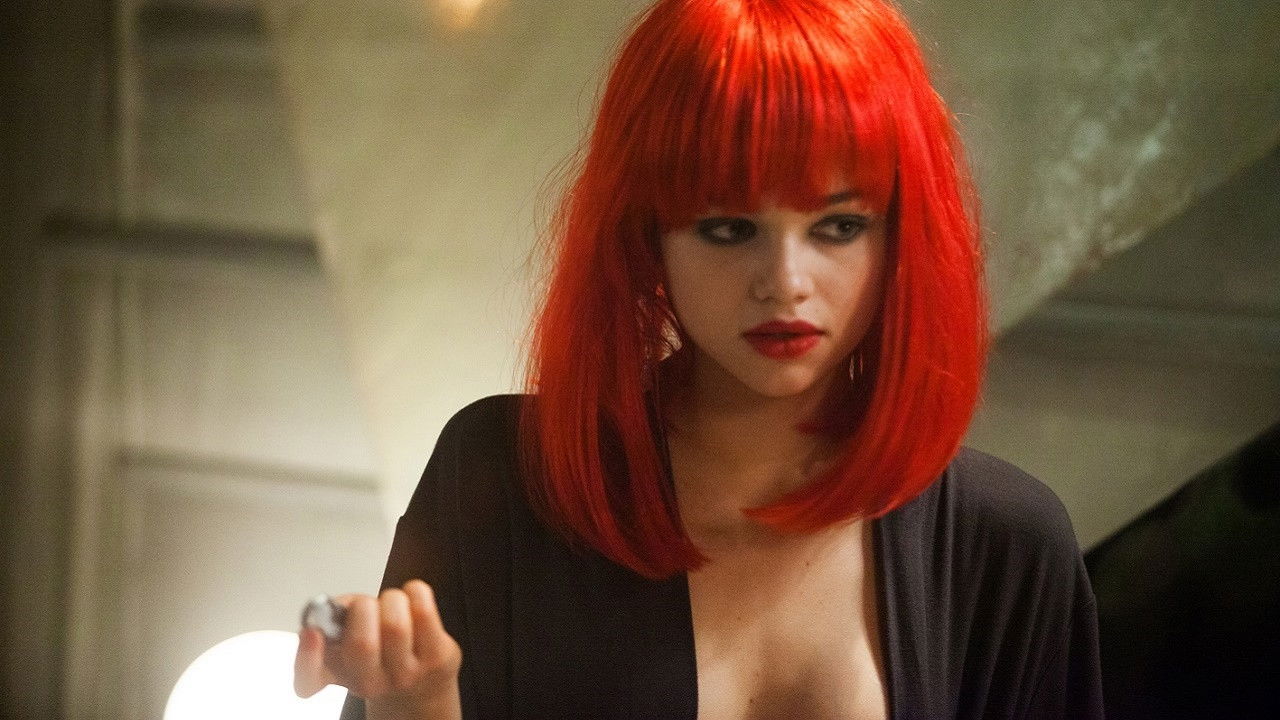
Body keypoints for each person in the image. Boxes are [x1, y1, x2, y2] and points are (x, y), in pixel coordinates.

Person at [294, 0, 1106, 718]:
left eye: (839, 226)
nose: (784, 282)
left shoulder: (1008, 543)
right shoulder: (508, 480)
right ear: (645, 234)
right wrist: (415, 706)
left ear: (902, 237)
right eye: (729, 228)